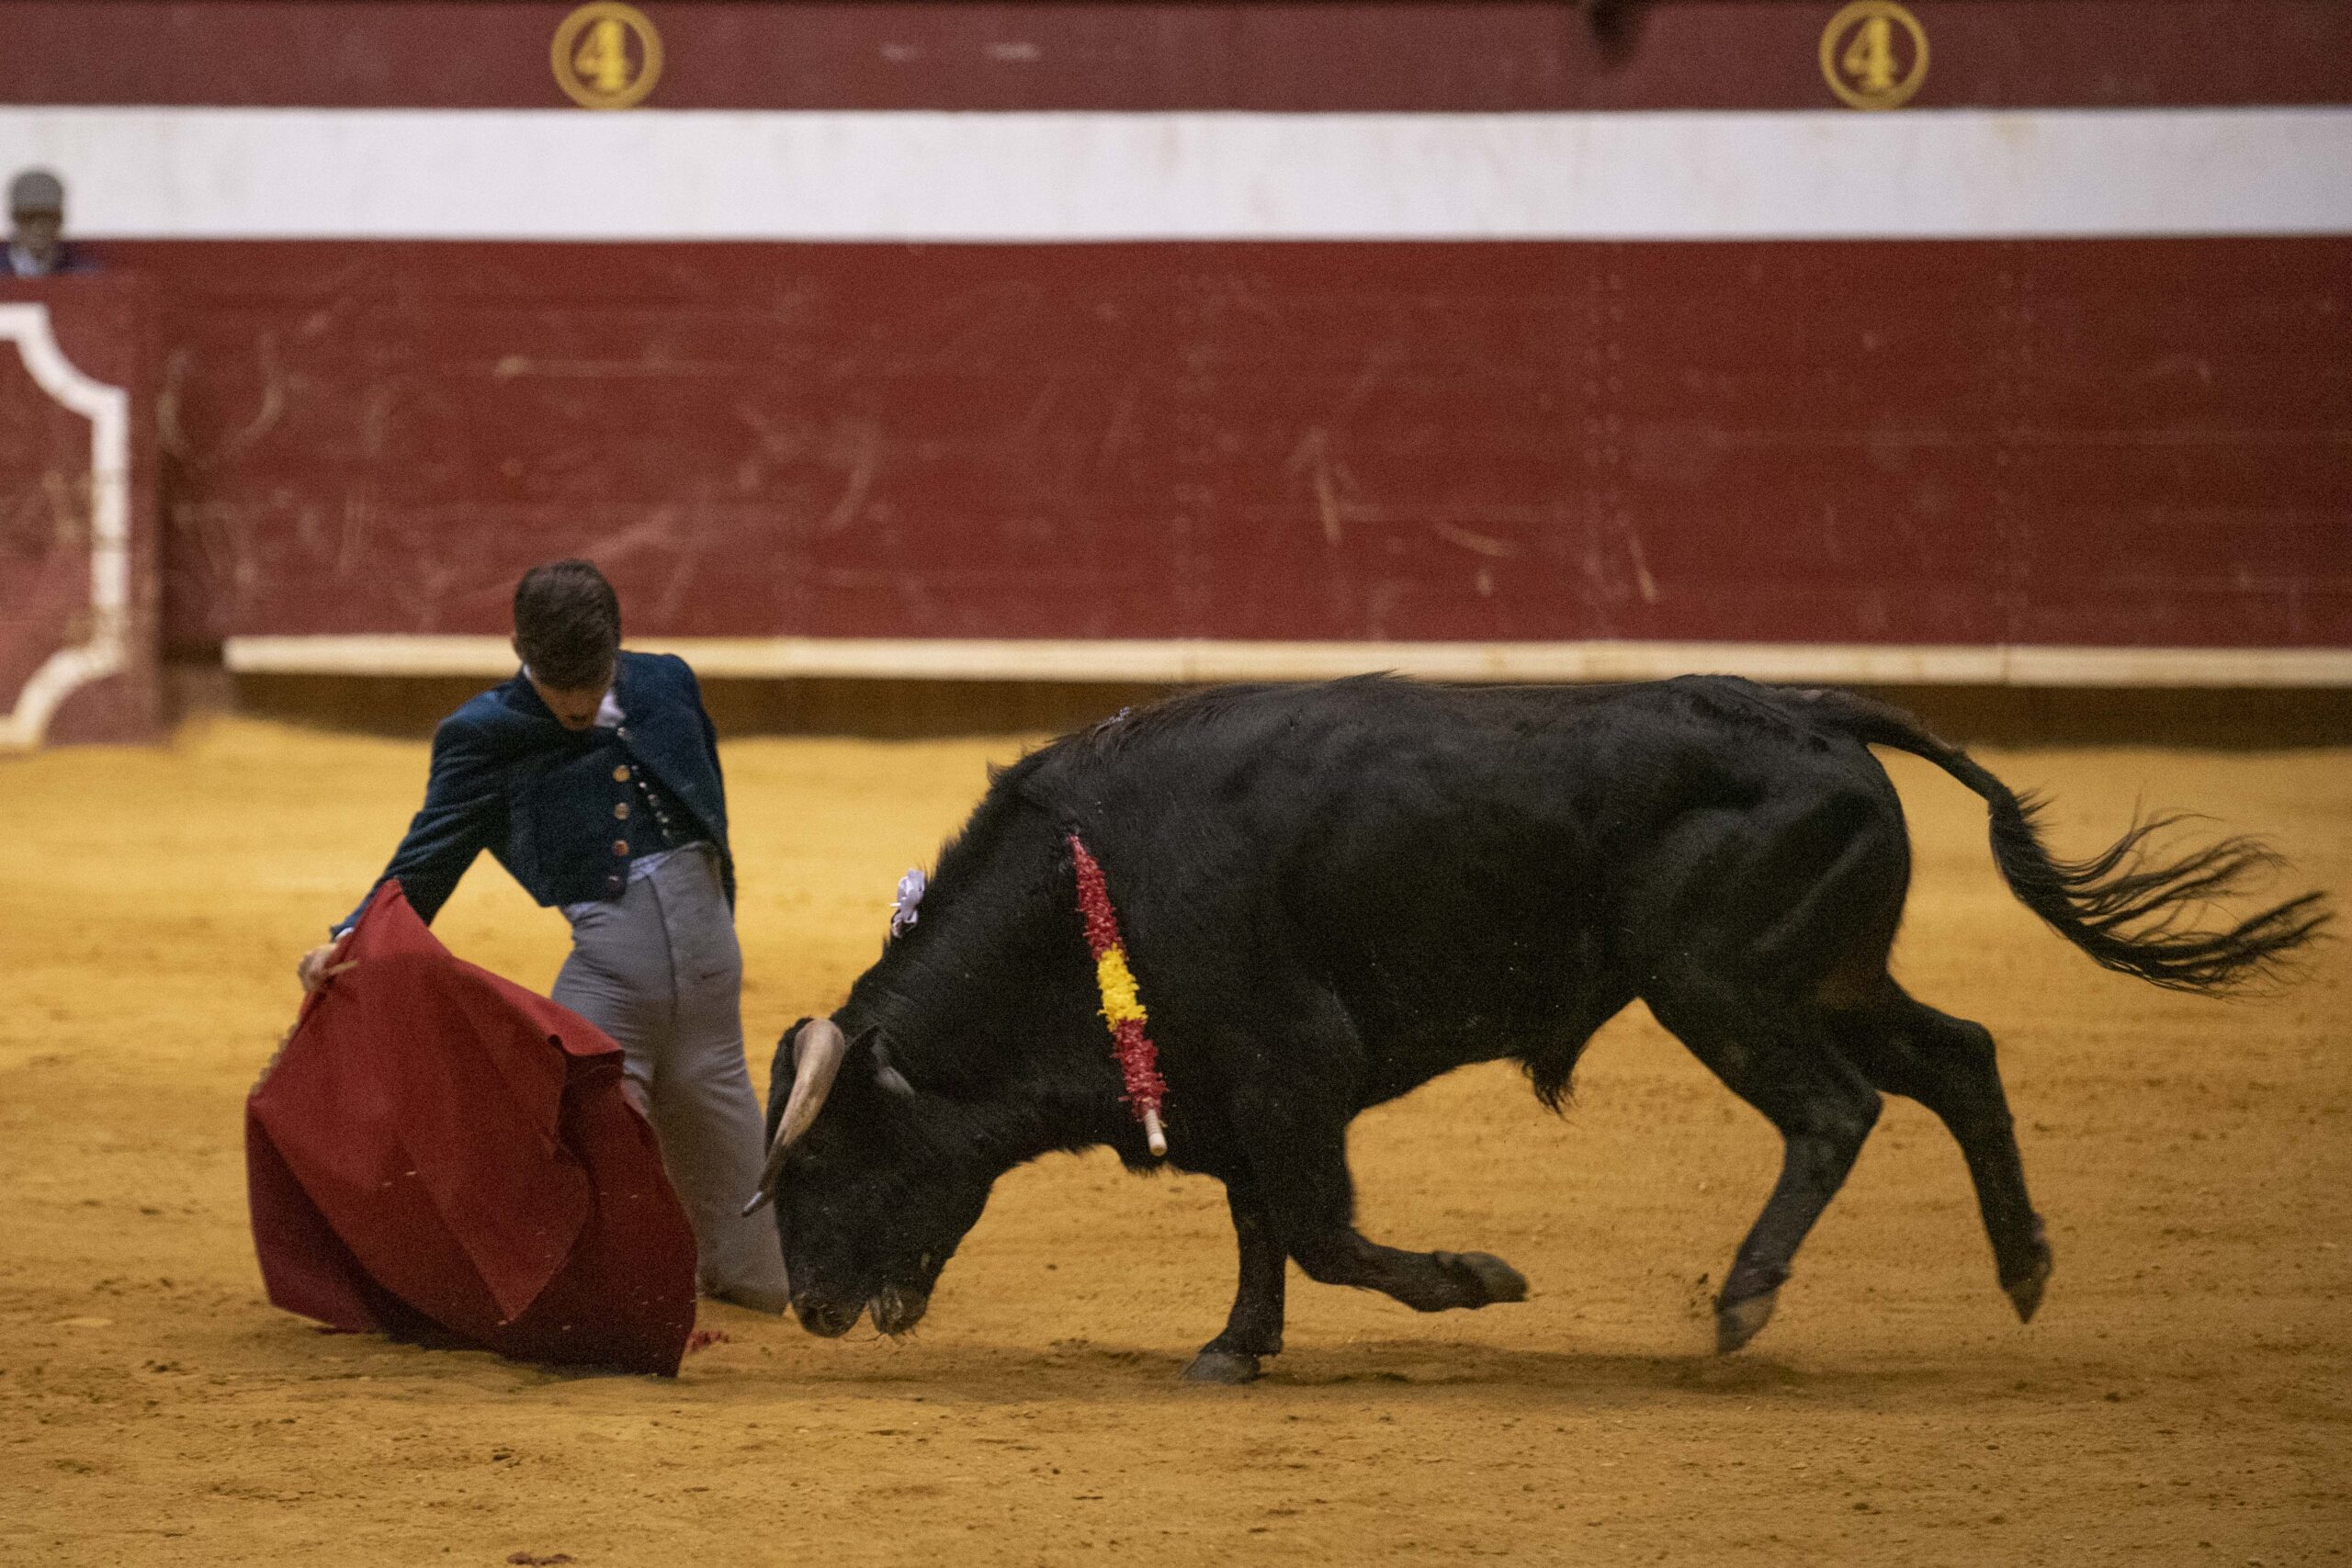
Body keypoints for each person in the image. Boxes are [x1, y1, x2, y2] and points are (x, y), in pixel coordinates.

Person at [296, 560, 790, 1314]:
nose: (578, 700)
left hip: (701, 965)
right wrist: (353, 937)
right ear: (521, 650)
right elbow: (431, 853)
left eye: (590, 679)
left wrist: (718, 922)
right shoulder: (485, 735)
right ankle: (643, 1289)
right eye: (560, 684)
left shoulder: (667, 682)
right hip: (634, 970)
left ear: (617, 647)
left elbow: (709, 813)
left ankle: (653, 1289)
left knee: (584, 1153)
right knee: (608, 1133)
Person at [8, 170, 91, 277]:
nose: (38, 228)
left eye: (48, 218)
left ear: (59, 220)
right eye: (28, 218)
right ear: (15, 219)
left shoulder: (84, 275)